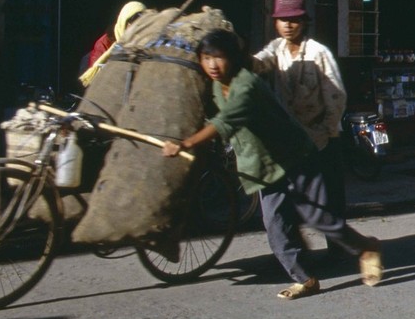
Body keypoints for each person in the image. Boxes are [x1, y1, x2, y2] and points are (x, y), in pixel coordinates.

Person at [162, 29, 382, 300]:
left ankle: (366, 247)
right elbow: (219, 121)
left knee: (320, 219)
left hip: (296, 159)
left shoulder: (246, 85)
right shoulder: (219, 87)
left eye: (218, 58)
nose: (212, 65)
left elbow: (224, 122)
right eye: (206, 58)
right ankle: (305, 279)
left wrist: (186, 143)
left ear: (233, 57)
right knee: (276, 226)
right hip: (264, 168)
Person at [253, 0, 349, 225]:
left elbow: (335, 96)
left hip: (322, 136)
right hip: (291, 137)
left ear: (304, 22)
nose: (288, 25)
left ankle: (339, 248)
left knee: (329, 197)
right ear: (275, 22)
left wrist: (327, 131)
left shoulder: (318, 52)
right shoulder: (276, 49)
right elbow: (259, 62)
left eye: (294, 20)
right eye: (283, 20)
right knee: (295, 196)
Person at [79, 0, 146, 87]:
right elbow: (98, 80)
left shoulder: (151, 43)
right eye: (133, 21)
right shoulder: (105, 42)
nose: (137, 26)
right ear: (124, 21)